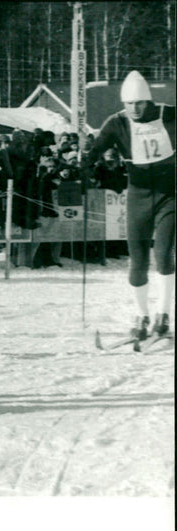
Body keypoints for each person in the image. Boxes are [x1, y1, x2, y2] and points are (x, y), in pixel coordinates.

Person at [87, 70, 175, 340]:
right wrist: (84, 164)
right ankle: (142, 315)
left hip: (170, 194)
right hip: (137, 195)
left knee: (162, 255)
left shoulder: (169, 115)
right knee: (137, 260)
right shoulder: (117, 123)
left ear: (148, 101)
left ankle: (163, 313)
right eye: (129, 104)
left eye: (139, 103)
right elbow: (96, 149)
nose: (134, 109)